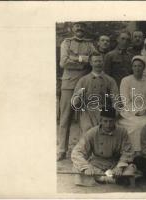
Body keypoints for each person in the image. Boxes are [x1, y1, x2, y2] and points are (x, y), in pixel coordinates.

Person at [57, 22, 96, 161]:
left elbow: (93, 61)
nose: (79, 29)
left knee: (84, 119)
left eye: (82, 26)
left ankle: (83, 150)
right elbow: (63, 62)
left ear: (85, 29)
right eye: (77, 26)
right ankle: (61, 150)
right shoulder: (66, 43)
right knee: (65, 118)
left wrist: (74, 59)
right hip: (68, 84)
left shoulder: (89, 44)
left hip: (84, 84)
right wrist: (81, 60)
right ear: (72, 29)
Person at [71, 107, 136, 186]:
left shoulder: (122, 132)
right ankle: (110, 179)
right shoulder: (92, 132)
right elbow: (77, 152)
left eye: (111, 121)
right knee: (77, 168)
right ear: (100, 121)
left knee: (131, 169)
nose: (108, 125)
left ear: (115, 121)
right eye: (105, 121)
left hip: (115, 163)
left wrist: (120, 167)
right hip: (97, 164)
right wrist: (86, 167)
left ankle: (103, 178)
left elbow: (127, 151)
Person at [72, 52, 119, 136]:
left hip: (105, 112)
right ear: (91, 63)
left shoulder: (110, 80)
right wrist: (78, 97)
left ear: (103, 62)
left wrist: (114, 112)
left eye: (100, 61)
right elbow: (75, 101)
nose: (98, 64)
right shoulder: (83, 80)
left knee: (107, 131)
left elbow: (115, 99)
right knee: (88, 130)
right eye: (95, 61)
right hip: (88, 112)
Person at [118, 55, 146, 153]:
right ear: (132, 67)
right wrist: (136, 112)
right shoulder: (126, 80)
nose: (137, 68)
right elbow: (125, 100)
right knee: (137, 125)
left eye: (140, 66)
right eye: (134, 66)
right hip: (130, 111)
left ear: (144, 67)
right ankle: (135, 151)